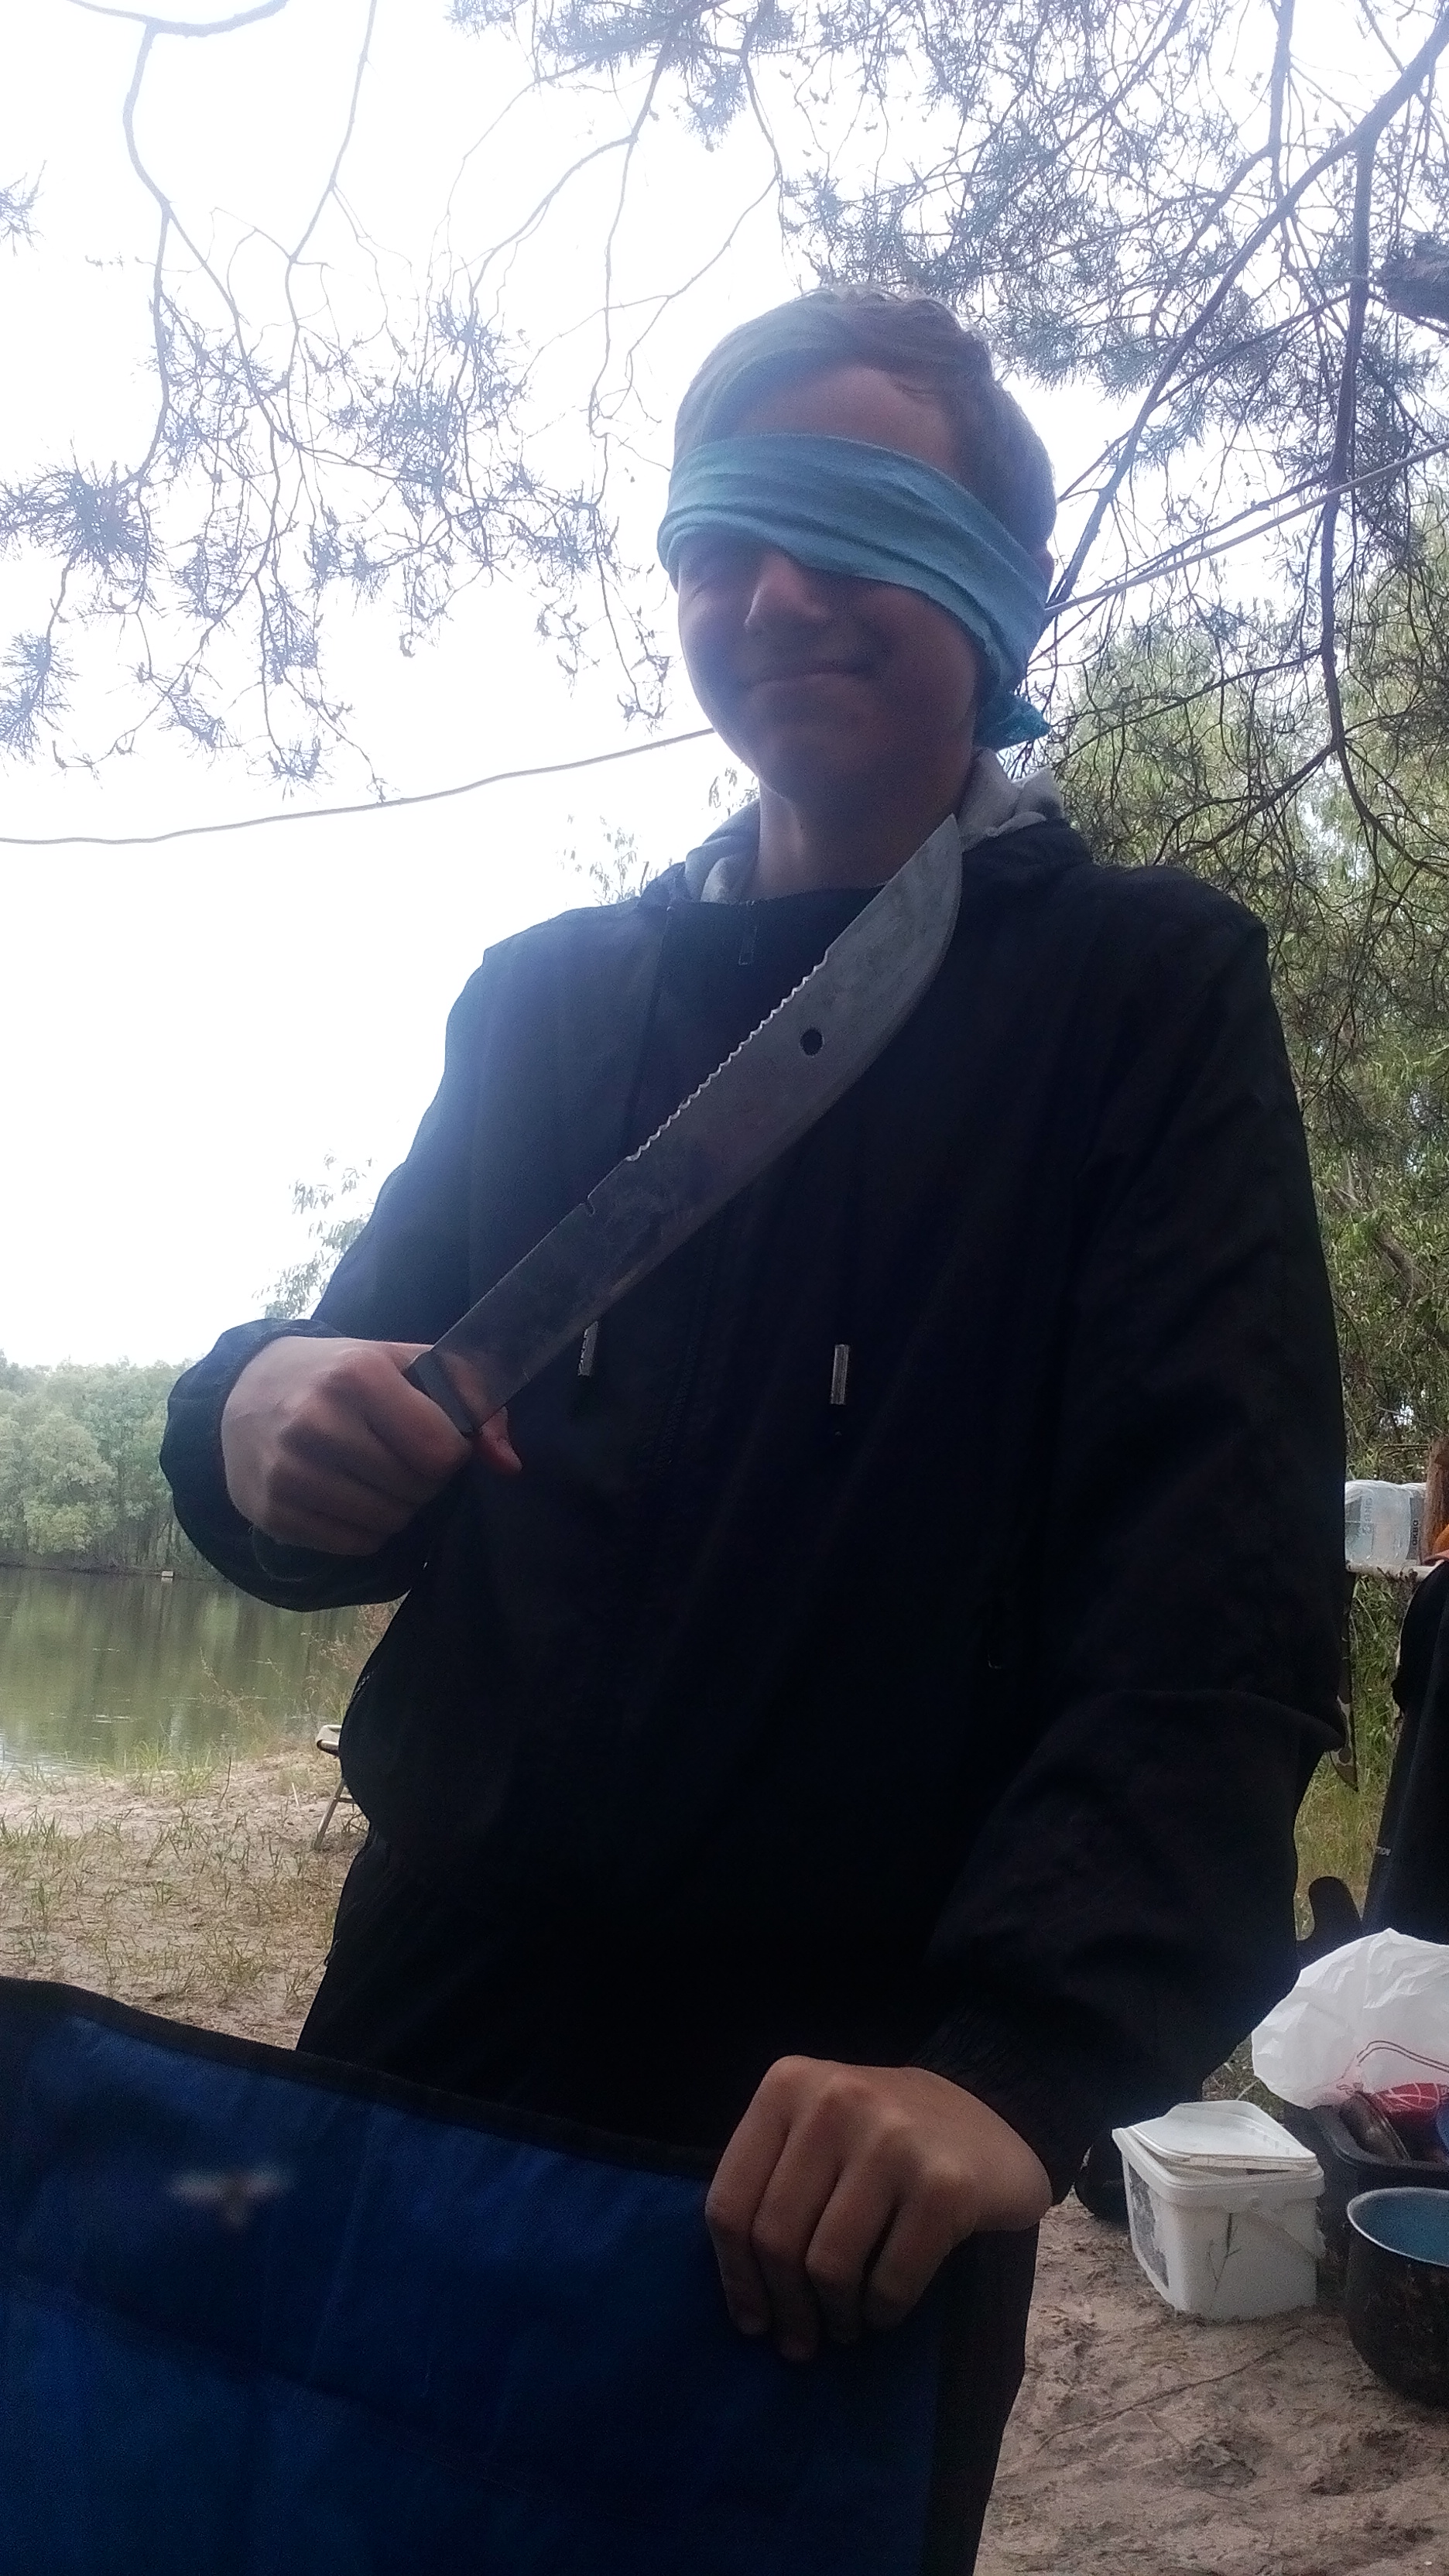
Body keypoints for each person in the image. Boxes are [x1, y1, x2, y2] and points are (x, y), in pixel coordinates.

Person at [162, 289, 1345, 2569]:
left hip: (841, 2136)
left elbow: (1208, 1594)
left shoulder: (1138, 994)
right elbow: (353, 1419)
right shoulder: (544, 1003)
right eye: (724, 537)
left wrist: (1012, 2067)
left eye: (855, 523)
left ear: (999, 590)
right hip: (429, 2032)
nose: (774, 590)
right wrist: (251, 1418)